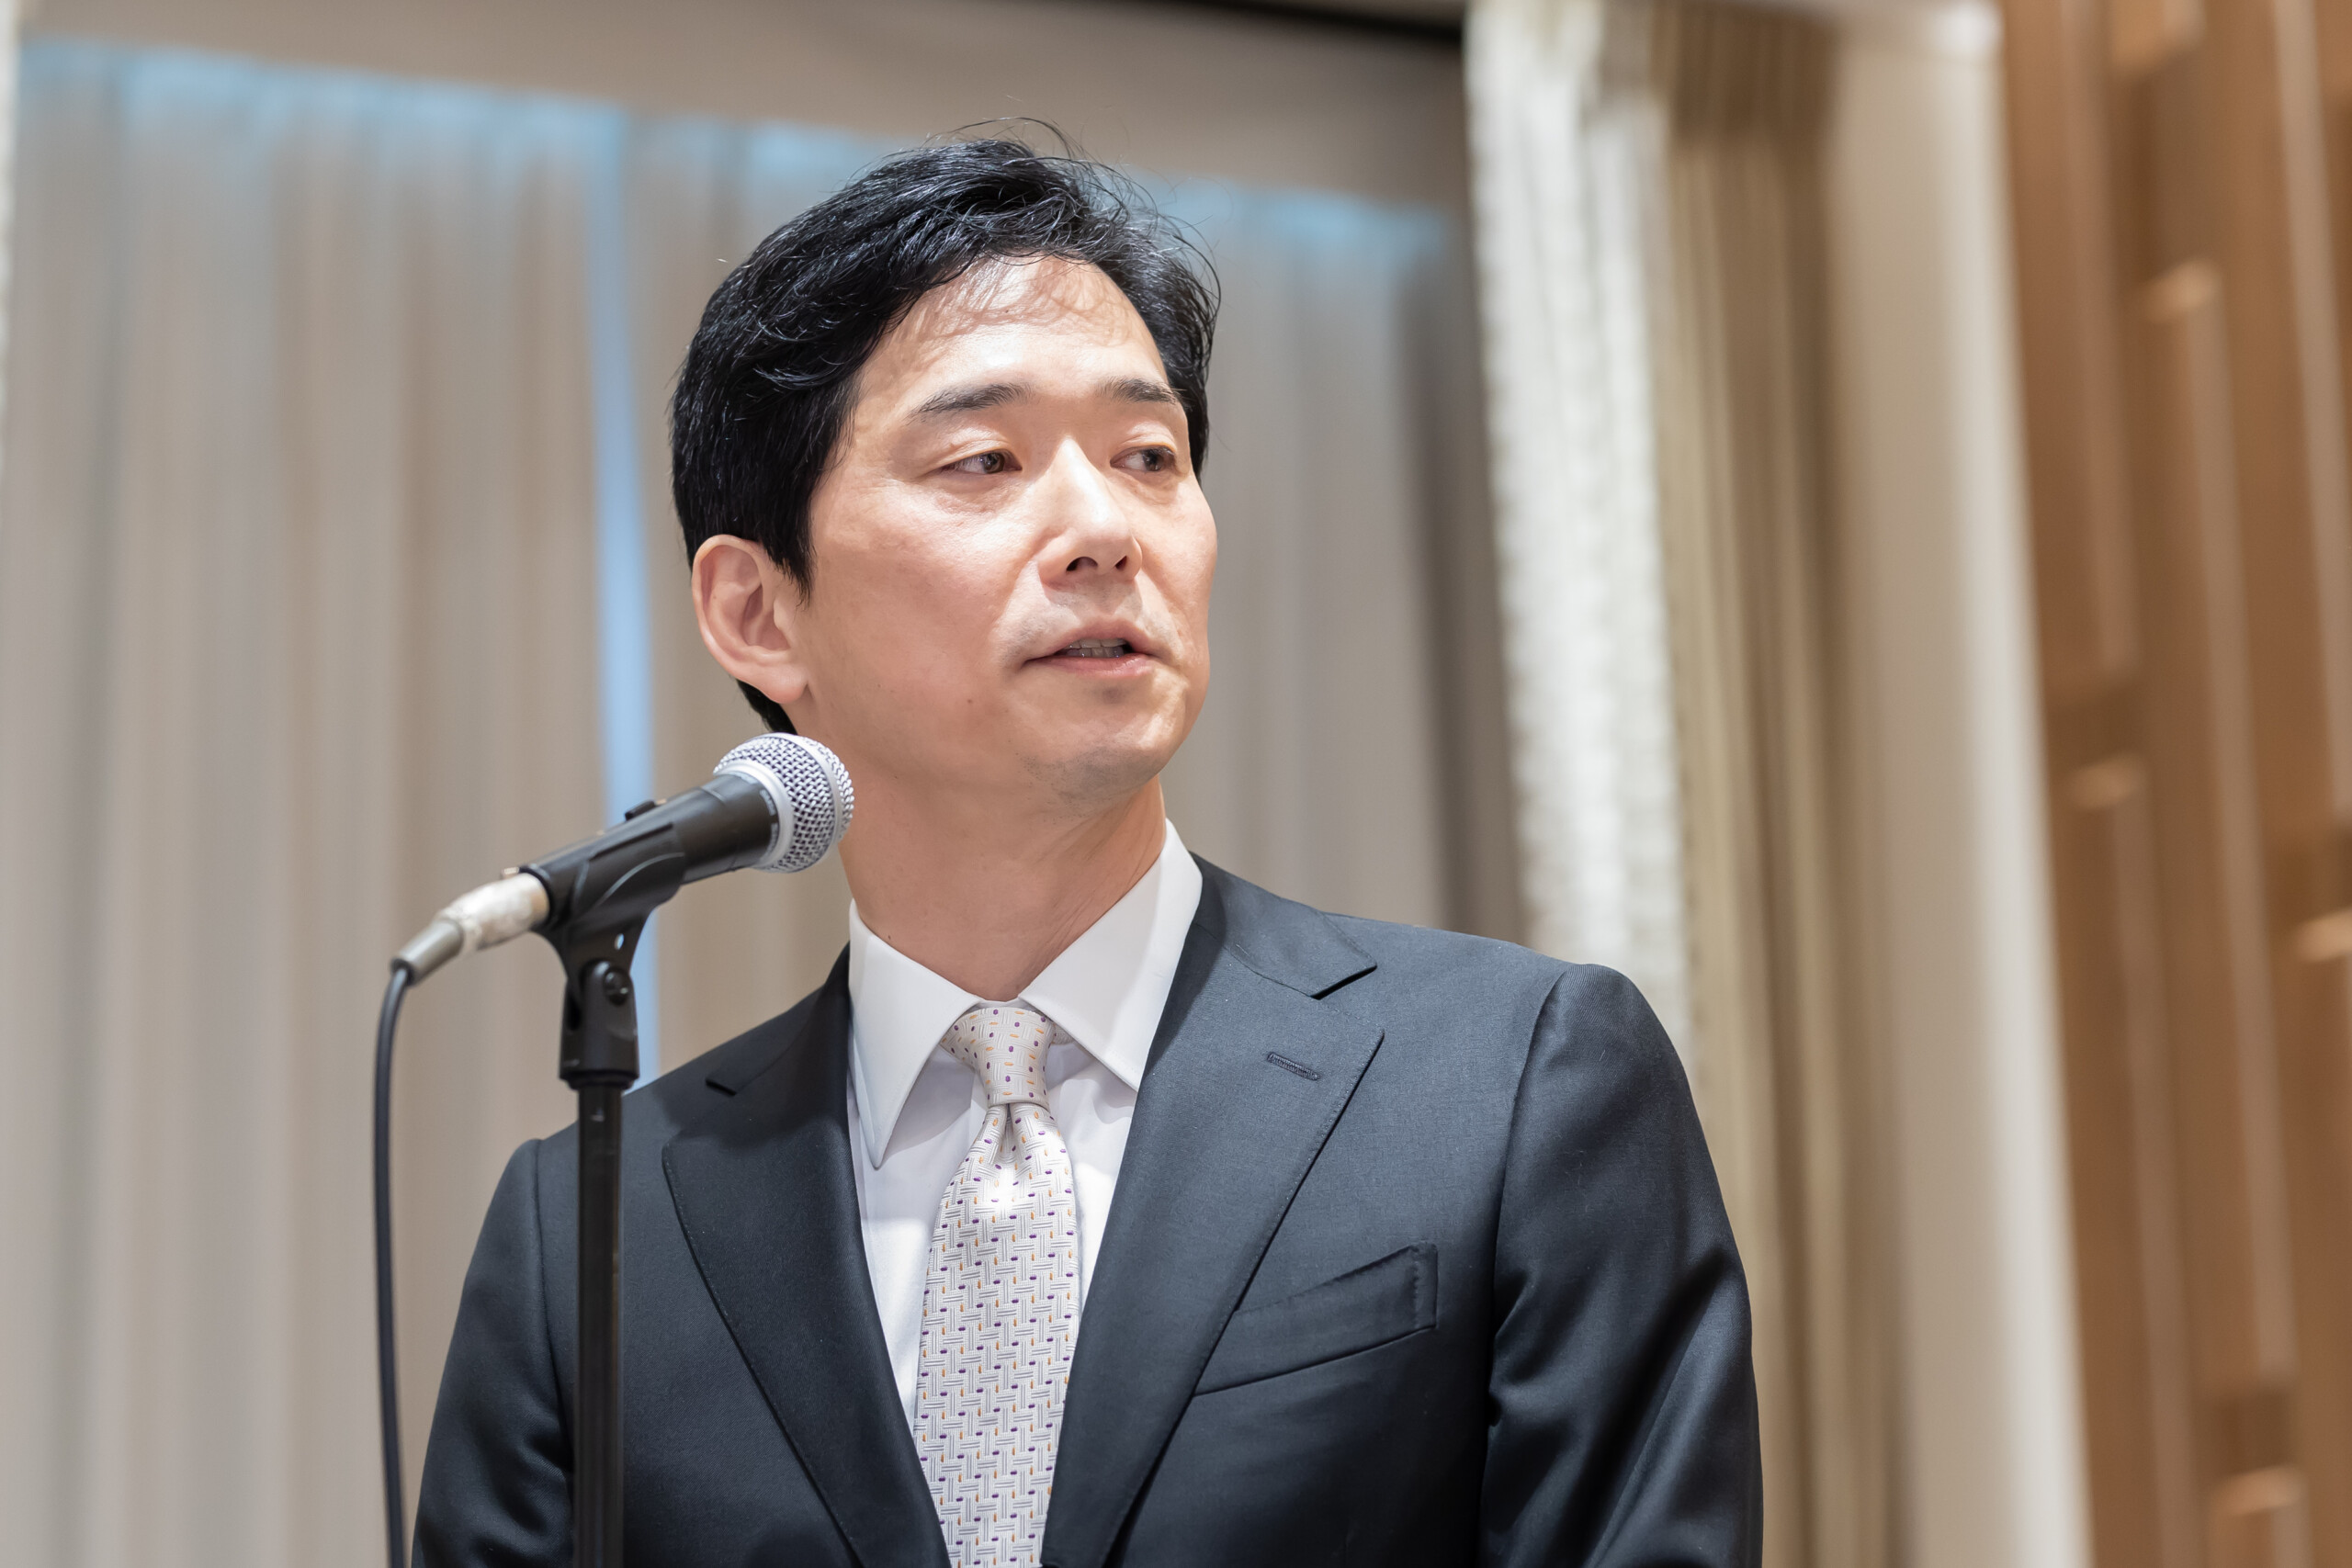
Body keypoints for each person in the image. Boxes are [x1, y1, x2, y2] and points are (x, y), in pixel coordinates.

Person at [413, 136, 1760, 1568]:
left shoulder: (1515, 1085)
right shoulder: (591, 1236)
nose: (1105, 529)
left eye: (1149, 457)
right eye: (983, 461)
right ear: (758, 612)